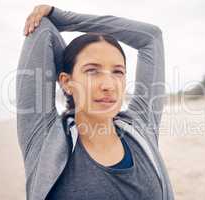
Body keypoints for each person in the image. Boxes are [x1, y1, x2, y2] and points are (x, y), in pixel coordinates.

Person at [17, 4, 174, 200]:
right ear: (66, 82)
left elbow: (151, 36)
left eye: (117, 71)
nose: (108, 84)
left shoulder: (141, 124)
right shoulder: (45, 138)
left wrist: (65, 18)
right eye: (92, 70)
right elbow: (42, 29)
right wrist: (56, 19)